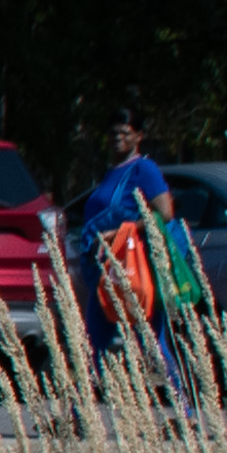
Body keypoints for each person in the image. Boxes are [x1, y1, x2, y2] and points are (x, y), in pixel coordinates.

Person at [74, 109, 180, 376]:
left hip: (131, 268)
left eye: (125, 132)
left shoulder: (144, 169)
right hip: (107, 269)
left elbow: (164, 212)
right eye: (113, 133)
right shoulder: (113, 172)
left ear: (138, 136)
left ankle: (185, 412)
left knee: (153, 341)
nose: (118, 138)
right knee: (94, 343)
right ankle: (77, 415)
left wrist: (122, 231)